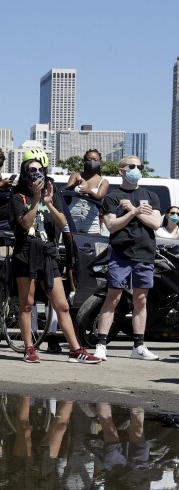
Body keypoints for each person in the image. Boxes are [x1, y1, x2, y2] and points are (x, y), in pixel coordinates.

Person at [9, 156, 100, 364]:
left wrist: (48, 203)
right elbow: (24, 224)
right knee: (27, 304)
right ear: (25, 174)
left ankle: (75, 349)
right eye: (31, 171)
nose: (36, 174)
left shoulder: (52, 191)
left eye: (39, 170)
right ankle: (29, 347)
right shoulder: (17, 195)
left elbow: (61, 221)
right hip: (26, 252)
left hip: (48, 253)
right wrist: (35, 198)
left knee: (62, 305)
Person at [94, 155, 162, 361]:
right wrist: (134, 213)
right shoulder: (112, 198)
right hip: (120, 253)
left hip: (145, 253)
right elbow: (112, 225)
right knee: (113, 297)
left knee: (141, 299)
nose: (136, 169)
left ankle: (138, 347)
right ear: (121, 170)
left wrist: (133, 210)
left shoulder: (151, 195)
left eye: (139, 166)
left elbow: (156, 223)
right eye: (132, 166)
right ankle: (101, 344)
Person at [66, 149, 109, 235]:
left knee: (90, 246)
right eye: (89, 159)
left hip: (91, 221)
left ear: (100, 162)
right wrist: (74, 186)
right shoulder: (76, 175)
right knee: (71, 247)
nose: (92, 162)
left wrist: (89, 192)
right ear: (84, 161)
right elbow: (66, 191)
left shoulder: (104, 181)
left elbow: (99, 196)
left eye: (95, 160)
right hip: (72, 217)